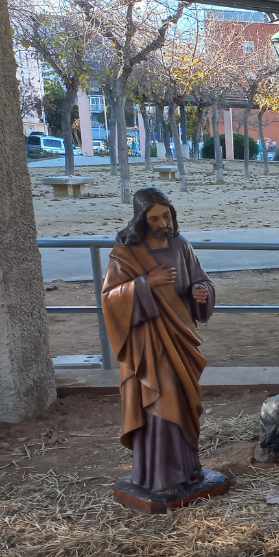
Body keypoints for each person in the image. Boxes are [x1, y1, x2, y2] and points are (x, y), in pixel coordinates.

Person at [102, 188, 216, 494]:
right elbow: (110, 298)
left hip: (179, 334)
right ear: (142, 219)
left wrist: (202, 292)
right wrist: (145, 284)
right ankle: (159, 476)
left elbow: (199, 279)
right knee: (159, 399)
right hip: (147, 344)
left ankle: (187, 469)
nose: (162, 222)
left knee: (182, 399)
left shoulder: (181, 245)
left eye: (166, 215)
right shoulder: (126, 252)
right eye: (154, 218)